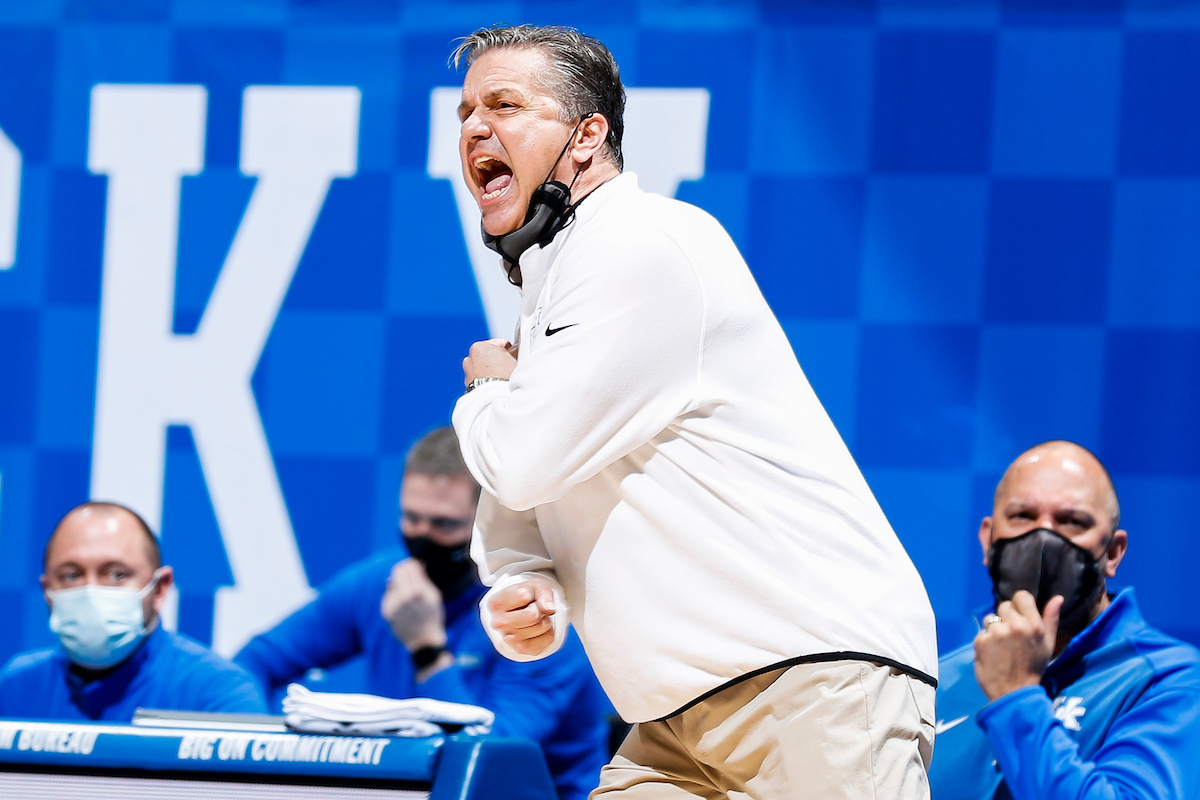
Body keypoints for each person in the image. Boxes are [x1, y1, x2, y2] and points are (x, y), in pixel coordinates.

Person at [450, 24, 938, 800]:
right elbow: (530, 490)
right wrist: (524, 580)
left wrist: (485, 389)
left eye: (504, 105)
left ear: (587, 137)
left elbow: (520, 456)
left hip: (808, 676)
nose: (476, 127)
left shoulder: (642, 244)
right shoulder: (557, 286)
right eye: (466, 112)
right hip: (673, 717)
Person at [233, 427, 609, 800]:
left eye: (443, 524)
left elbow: (488, 764)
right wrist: (257, 756)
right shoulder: (379, 583)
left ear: (489, 523)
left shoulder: (535, 611)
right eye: (412, 519)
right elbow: (253, 664)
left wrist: (427, 650)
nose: (422, 536)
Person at [929, 440, 1200, 800]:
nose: (1044, 537)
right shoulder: (937, 682)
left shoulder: (1170, 681)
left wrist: (1016, 695)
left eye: (1072, 521)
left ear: (1113, 553)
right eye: (1022, 516)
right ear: (988, 540)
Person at [0, 501, 267, 720]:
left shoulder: (218, 695)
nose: (91, 590)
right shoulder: (16, 685)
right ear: (48, 592)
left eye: (116, 574)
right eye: (71, 575)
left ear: (160, 588)